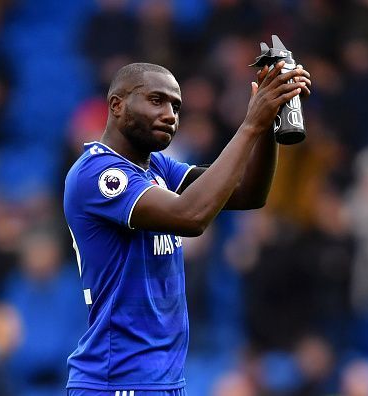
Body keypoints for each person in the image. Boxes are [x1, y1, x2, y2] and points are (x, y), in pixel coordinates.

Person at [63, 61, 311, 395]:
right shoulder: (98, 174)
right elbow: (191, 216)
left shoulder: (158, 168)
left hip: (165, 380)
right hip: (117, 380)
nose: (170, 115)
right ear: (117, 105)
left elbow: (249, 193)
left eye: (176, 106)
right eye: (156, 100)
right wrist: (251, 124)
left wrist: (268, 124)